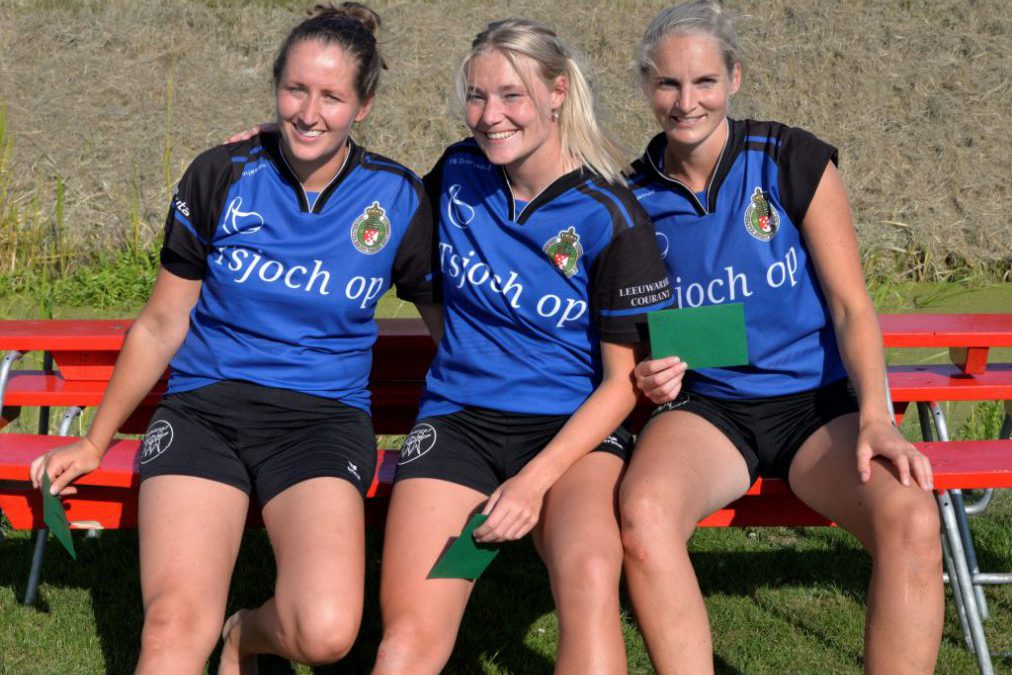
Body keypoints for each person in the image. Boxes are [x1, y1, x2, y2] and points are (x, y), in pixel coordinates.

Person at [30, 4, 440, 673]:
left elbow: (450, 327)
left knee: (325, 633)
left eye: (332, 96)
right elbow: (161, 322)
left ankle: (243, 635)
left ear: (363, 106)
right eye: (296, 89)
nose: (309, 112)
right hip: (205, 414)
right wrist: (94, 439)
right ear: (276, 86)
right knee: (170, 630)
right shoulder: (221, 172)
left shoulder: (396, 197)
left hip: (320, 424)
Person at [618, 3, 943, 673]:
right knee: (644, 516)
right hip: (709, 409)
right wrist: (650, 371)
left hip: (817, 406)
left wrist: (876, 418)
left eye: (705, 81)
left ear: (735, 78)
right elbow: (644, 335)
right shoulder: (629, 197)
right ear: (647, 85)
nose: (687, 101)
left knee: (913, 519)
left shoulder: (791, 159)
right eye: (668, 83)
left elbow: (851, 306)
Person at [370, 19, 672, 675]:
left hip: (570, 438)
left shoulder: (609, 214)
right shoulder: (458, 172)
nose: (490, 116)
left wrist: (532, 483)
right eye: (477, 96)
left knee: (589, 578)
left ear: (557, 92)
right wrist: (283, 147)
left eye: (511, 95)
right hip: (459, 429)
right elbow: (368, 209)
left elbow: (621, 382)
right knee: (407, 642)